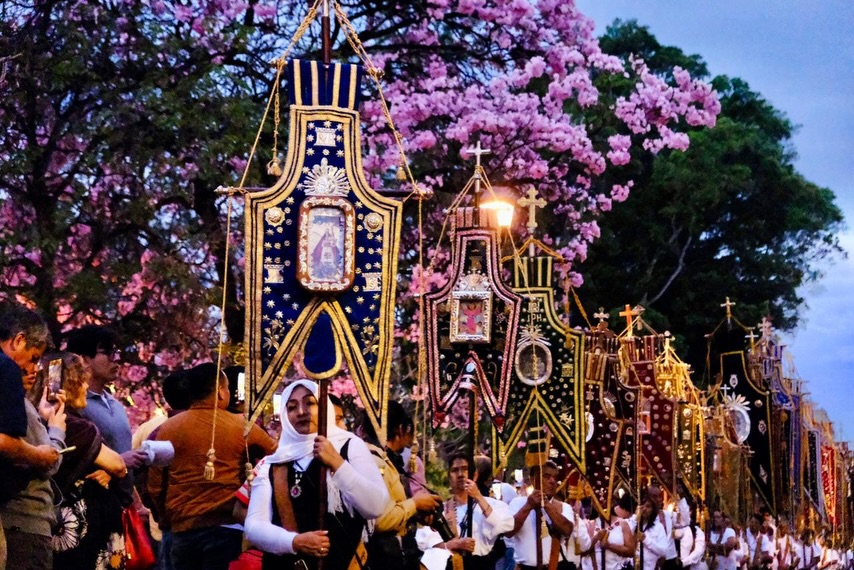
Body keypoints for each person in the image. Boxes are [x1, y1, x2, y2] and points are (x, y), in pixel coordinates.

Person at [244, 379, 387, 569]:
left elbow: (375, 506)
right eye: (292, 407)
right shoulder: (274, 463)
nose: (301, 412)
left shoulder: (349, 446)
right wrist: (294, 541)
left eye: (310, 403)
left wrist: (337, 463)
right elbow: (253, 526)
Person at [149, 363, 277, 570]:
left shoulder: (167, 429)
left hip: (182, 529)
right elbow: (277, 457)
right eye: (227, 388)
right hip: (227, 527)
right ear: (219, 392)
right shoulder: (242, 427)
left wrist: (165, 519)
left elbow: (155, 485)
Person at [35, 351, 129, 569]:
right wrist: (113, 470)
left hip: (54, 525)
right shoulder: (76, 427)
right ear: (70, 385)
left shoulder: (36, 418)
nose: (87, 388)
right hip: (84, 527)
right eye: (82, 382)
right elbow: (118, 465)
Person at [0, 305, 57, 570]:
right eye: (33, 358)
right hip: (19, 519)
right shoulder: (5, 369)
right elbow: (2, 441)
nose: (33, 369)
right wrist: (38, 455)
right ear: (18, 339)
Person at [65, 325, 149, 506]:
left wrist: (136, 503)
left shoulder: (115, 404)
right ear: (85, 360)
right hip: (92, 506)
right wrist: (119, 463)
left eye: (117, 352)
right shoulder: (73, 406)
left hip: (121, 505)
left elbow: (122, 456)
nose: (117, 360)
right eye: (109, 353)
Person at [361, 401, 441, 569]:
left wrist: (415, 514)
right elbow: (381, 520)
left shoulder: (380, 459)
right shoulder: (375, 462)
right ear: (400, 429)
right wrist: (416, 503)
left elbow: (391, 507)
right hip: (383, 558)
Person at [416, 453, 513, 570]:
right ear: (449, 477)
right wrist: (452, 545)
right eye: (455, 470)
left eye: (465, 469)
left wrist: (478, 497)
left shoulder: (491, 504)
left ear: (475, 475)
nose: (461, 474)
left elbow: (506, 527)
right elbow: (423, 541)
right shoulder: (443, 509)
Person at [507, 460, 576, 569]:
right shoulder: (517, 503)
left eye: (555, 478)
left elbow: (567, 530)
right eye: (546, 477)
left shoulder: (563, 507)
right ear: (533, 479)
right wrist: (528, 506)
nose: (552, 481)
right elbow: (508, 531)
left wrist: (547, 505)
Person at [596, 493, 637, 570]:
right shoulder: (591, 524)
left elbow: (631, 551)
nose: (602, 506)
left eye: (605, 502)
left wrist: (609, 546)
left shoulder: (622, 524)